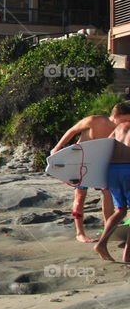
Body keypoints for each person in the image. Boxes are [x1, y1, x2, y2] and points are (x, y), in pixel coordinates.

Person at [51, 103, 130, 242]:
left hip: (100, 163)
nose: (127, 122)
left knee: (107, 193)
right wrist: (57, 148)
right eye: (125, 119)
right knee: (80, 195)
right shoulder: (95, 120)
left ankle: (108, 227)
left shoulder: (119, 130)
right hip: (82, 162)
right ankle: (80, 233)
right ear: (116, 115)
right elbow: (72, 130)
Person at [96, 120, 130, 261]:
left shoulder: (120, 127)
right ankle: (128, 254)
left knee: (120, 210)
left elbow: (104, 147)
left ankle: (102, 244)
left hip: (112, 170)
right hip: (128, 169)